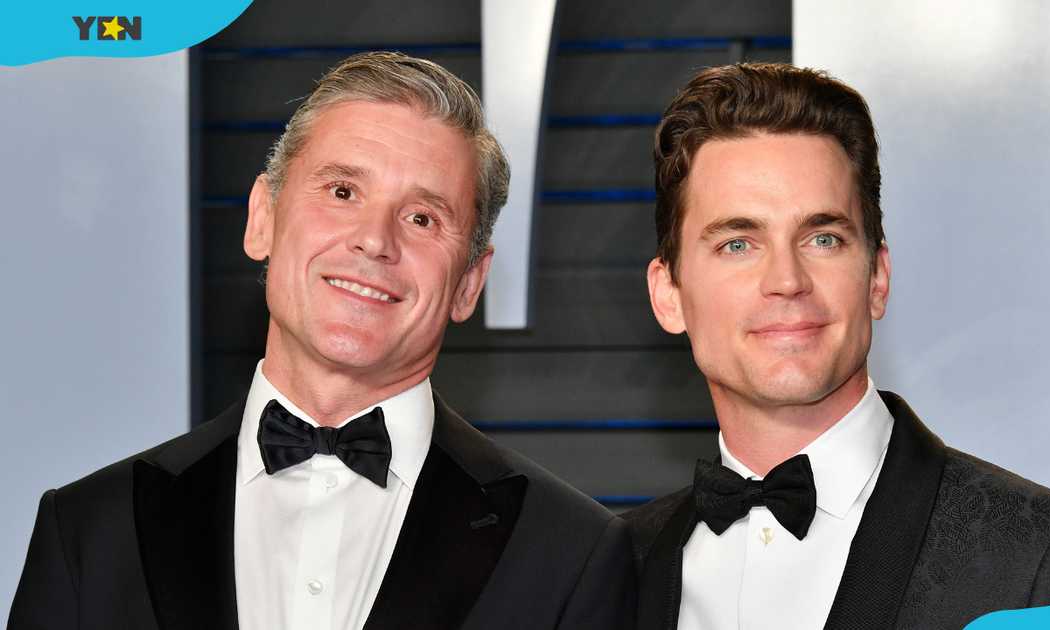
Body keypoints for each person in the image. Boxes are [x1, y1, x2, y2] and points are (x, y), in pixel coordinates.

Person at [10, 52, 634, 630]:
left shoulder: (570, 551)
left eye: (423, 218)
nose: (375, 240)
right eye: (343, 192)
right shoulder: (89, 530)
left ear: (469, 283)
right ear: (263, 219)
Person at [623, 62, 1050, 630]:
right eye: (738, 244)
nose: (786, 279)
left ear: (877, 278)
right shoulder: (614, 567)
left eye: (824, 238)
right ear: (669, 295)